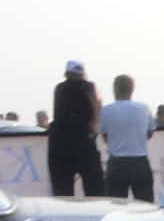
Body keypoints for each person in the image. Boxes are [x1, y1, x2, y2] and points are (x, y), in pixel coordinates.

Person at [48, 60, 103, 197]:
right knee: (95, 193)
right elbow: (96, 110)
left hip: (60, 146)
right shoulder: (89, 87)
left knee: (63, 194)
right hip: (84, 143)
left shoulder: (59, 89)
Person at [100, 74, 155, 202]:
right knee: (145, 204)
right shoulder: (144, 108)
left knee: (115, 205)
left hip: (117, 163)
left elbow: (105, 136)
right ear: (132, 89)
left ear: (115, 89)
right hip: (140, 161)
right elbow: (150, 132)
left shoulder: (106, 110)